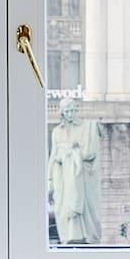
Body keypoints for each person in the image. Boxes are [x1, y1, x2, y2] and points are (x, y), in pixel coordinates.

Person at [47, 96, 102, 244]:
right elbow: (53, 155)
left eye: (73, 110)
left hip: (81, 176)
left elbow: (90, 153)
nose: (70, 114)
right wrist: (50, 179)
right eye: (67, 111)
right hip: (63, 176)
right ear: (62, 113)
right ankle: (70, 237)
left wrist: (72, 154)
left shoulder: (86, 127)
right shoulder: (57, 132)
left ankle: (88, 237)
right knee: (64, 207)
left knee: (88, 207)